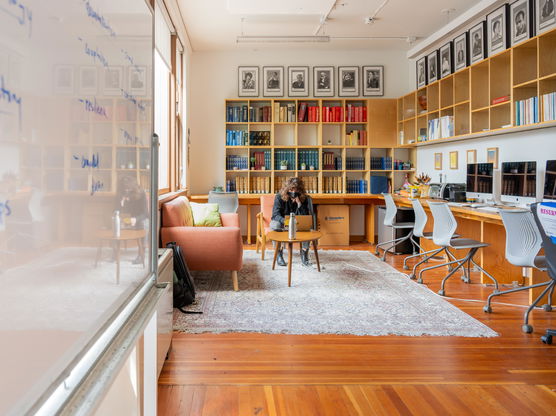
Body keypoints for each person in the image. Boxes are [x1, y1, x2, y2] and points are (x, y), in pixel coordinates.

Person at [270, 177, 314, 267]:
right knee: (276, 225)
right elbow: (275, 215)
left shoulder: (304, 198)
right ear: (287, 189)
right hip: (282, 222)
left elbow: (305, 216)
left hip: (297, 224)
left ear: (299, 190)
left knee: (308, 227)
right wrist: (286, 221)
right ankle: (279, 254)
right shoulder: (279, 197)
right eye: (291, 189)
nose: (293, 192)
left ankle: (304, 253)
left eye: (296, 190)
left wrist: (299, 204)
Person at [116, 176, 148, 264]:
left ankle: (141, 255)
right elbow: (119, 211)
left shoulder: (142, 193)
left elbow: (145, 213)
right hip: (129, 219)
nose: (126, 191)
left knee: (143, 224)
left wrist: (136, 219)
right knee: (116, 223)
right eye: (125, 189)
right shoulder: (122, 194)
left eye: (128, 189)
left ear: (133, 187)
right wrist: (122, 203)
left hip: (141, 219)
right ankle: (115, 253)